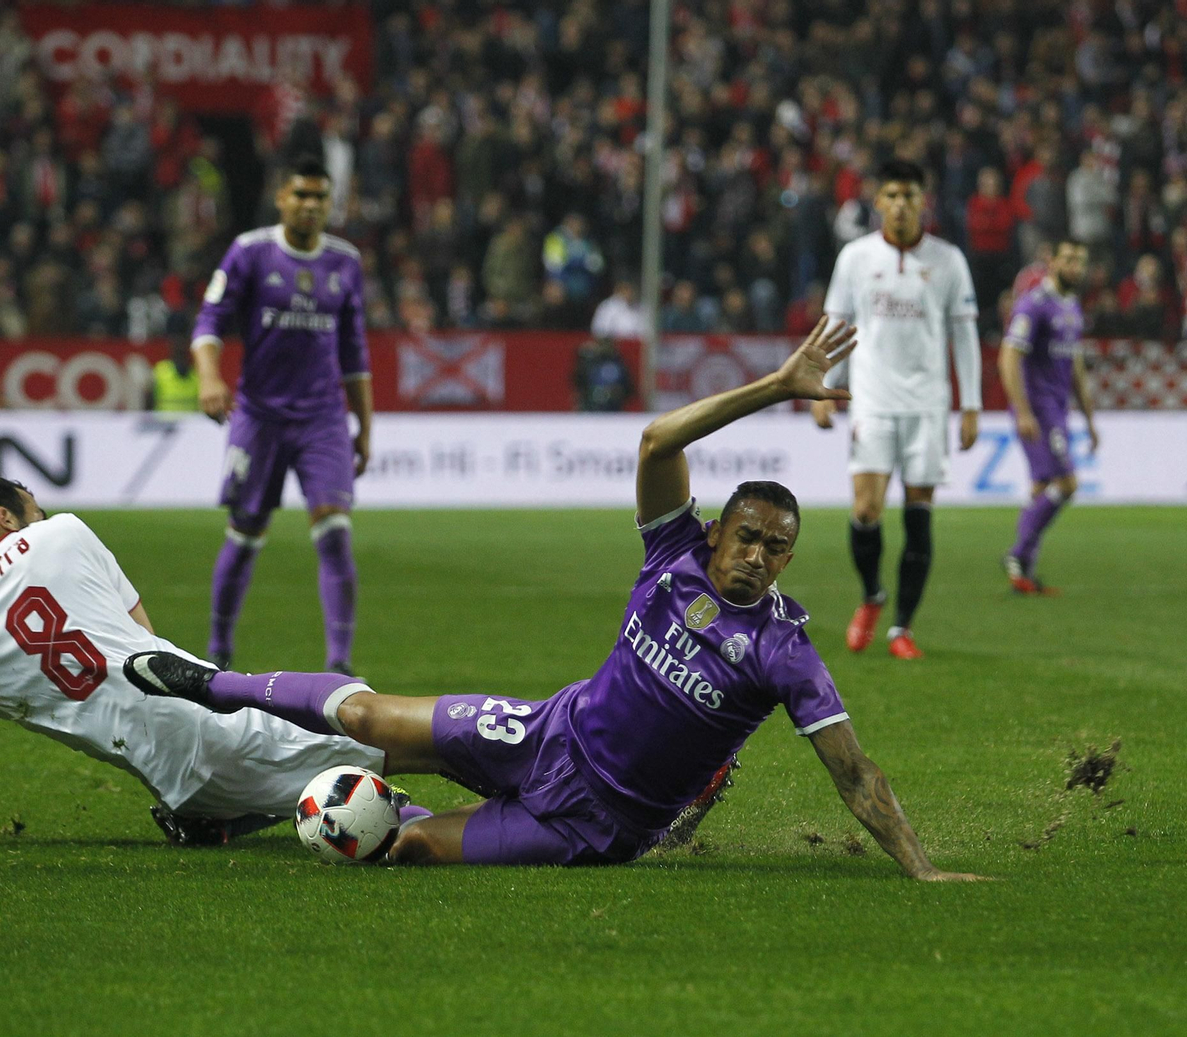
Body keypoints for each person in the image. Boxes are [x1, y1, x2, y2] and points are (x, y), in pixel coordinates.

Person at [124, 319, 985, 880]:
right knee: (368, 717)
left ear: (789, 559)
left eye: (775, 548)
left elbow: (853, 771)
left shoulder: (783, 651)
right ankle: (208, 682)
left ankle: (278, 811)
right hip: (545, 733)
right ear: (717, 530)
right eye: (747, 536)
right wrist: (775, 386)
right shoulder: (674, 553)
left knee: (406, 844)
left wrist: (921, 866)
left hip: (597, 825)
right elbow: (656, 439)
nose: (756, 557)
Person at [0, 473, 406, 847]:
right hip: (212, 724)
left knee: (318, 778)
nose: (40, 515)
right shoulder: (62, 532)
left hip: (173, 782)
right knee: (389, 746)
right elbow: (146, 644)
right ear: (5, 517)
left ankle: (219, 822)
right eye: (32, 507)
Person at [190, 155, 371, 673]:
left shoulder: (346, 262)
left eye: (320, 197)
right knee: (245, 533)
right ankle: (219, 653)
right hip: (260, 417)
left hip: (322, 419)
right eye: (301, 195)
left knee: (334, 532)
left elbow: (354, 353)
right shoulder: (250, 252)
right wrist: (209, 376)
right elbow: (209, 322)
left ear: (330, 203)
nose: (310, 205)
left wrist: (364, 428)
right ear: (281, 199)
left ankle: (339, 667)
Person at [810, 160, 982, 660]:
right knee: (866, 508)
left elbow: (964, 334)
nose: (901, 205)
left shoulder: (948, 260)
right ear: (878, 202)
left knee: (918, 512)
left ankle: (901, 627)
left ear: (923, 201)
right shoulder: (856, 257)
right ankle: (872, 596)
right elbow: (837, 325)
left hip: (928, 403)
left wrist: (971, 405)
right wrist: (823, 386)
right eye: (892, 195)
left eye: (910, 195)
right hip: (873, 399)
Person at [998, 241, 1098, 595]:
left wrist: (1089, 419)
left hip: (1058, 408)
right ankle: (1017, 554)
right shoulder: (1034, 304)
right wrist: (1023, 410)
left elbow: (1075, 366)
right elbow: (1008, 357)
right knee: (1067, 483)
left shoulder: (1071, 305)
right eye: (1068, 259)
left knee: (1042, 488)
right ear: (1051, 261)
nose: (1075, 267)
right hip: (1038, 409)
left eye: (1080, 261)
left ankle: (1023, 573)